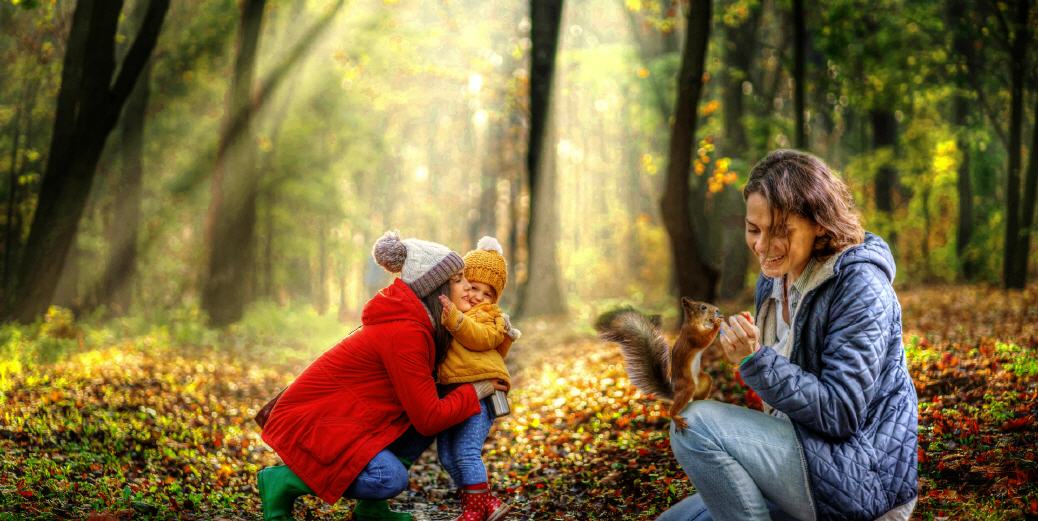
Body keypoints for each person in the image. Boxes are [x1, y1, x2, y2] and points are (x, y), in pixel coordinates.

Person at [658, 149, 918, 521]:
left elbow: (840, 412)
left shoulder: (861, 285)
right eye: (754, 229)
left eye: (780, 230)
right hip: (803, 458)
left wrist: (756, 361)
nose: (762, 246)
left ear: (820, 223)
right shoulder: (773, 279)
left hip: (860, 480)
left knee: (693, 426)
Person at [257, 231, 506, 521]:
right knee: (389, 479)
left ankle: (371, 510)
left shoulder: (421, 323)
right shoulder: (407, 332)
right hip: (319, 424)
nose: (468, 287)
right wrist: (477, 390)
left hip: (352, 421)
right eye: (459, 280)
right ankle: (284, 480)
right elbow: (429, 417)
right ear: (436, 287)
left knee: (429, 408)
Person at [435, 236, 521, 521]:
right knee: (447, 455)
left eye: (487, 293)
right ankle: (488, 503)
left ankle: (474, 510)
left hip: (483, 393)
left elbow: (480, 338)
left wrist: (455, 320)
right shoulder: (454, 311)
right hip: (454, 392)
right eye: (473, 287)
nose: (478, 297)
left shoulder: (488, 316)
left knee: (466, 450)